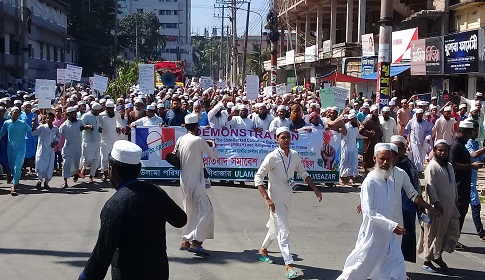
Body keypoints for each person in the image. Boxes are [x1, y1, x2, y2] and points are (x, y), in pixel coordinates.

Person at [78, 140, 187, 280]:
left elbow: (103, 253)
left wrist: (86, 277)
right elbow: (180, 220)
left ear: (112, 170)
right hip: (159, 273)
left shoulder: (115, 205)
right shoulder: (156, 192)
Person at [337, 143, 439, 280]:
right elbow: (369, 211)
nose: (385, 162)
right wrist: (390, 225)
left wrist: (430, 208)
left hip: (393, 231)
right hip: (374, 232)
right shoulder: (370, 181)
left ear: (393, 159)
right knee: (360, 265)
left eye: (388, 159)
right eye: (382, 159)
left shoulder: (397, 176)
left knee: (396, 264)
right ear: (375, 159)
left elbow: (413, 194)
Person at [254, 126, 322, 279]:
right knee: (283, 230)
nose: (286, 140)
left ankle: (263, 250)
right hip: (275, 199)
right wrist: (267, 198)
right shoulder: (272, 156)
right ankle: (288, 265)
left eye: (288, 137)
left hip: (288, 197)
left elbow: (303, 172)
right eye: (282, 137)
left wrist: (315, 188)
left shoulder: (295, 155)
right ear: (277, 139)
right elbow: (258, 178)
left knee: (275, 227)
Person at [177, 113, 218, 255]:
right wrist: (213, 144)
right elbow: (214, 155)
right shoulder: (198, 140)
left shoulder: (181, 139)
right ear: (196, 127)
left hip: (184, 181)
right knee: (207, 210)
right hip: (196, 181)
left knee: (190, 210)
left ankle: (185, 240)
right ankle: (196, 242)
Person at [417, 139, 461, 272]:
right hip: (436, 208)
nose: (442, 153)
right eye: (439, 150)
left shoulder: (450, 166)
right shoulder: (432, 166)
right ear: (434, 151)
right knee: (433, 235)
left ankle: (437, 256)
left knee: (452, 232)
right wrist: (436, 203)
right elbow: (430, 187)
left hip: (450, 207)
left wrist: (455, 202)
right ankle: (427, 261)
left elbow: (453, 185)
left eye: (445, 150)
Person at [449, 120, 482, 249]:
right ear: (462, 131)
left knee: (461, 213)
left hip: (464, 185)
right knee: (458, 214)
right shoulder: (455, 146)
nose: (470, 136)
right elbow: (452, 165)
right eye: (469, 133)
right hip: (457, 186)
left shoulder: (462, 144)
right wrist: (471, 166)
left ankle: (455, 239)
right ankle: (452, 240)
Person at [391, 135, 421, 265]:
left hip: (407, 206)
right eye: (394, 148)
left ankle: (399, 266)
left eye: (399, 148)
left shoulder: (408, 164)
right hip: (390, 207)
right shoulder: (386, 166)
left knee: (405, 237)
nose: (397, 152)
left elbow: (415, 187)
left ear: (404, 149)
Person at [0, 107, 32, 195]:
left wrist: (34, 125)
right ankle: (15, 180)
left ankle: (13, 186)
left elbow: (31, 131)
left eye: (18, 112)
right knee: (12, 167)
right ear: (11, 113)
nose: (16, 114)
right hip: (10, 149)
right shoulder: (7, 123)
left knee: (17, 167)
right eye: (15, 112)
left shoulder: (23, 123)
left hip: (21, 148)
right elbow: (2, 133)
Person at [59, 107, 93, 189]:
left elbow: (83, 127)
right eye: (73, 113)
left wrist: (88, 127)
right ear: (69, 115)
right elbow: (58, 134)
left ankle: (75, 173)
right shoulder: (64, 125)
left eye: (75, 113)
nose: (75, 114)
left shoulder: (79, 122)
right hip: (68, 148)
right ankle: (65, 181)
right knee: (66, 164)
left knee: (76, 164)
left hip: (77, 148)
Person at [465, 120, 485, 241]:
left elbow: (481, 158)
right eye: (475, 130)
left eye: (478, 130)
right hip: (467, 177)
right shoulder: (468, 143)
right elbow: (473, 155)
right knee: (475, 203)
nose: (477, 133)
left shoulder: (476, 143)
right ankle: (481, 232)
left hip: (473, 177)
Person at [32, 112, 59, 190]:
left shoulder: (55, 128)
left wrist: (55, 142)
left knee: (49, 167)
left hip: (50, 150)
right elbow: (34, 133)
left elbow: (58, 136)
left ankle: (46, 183)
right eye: (47, 118)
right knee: (40, 166)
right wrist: (33, 125)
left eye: (50, 118)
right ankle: (39, 181)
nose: (48, 120)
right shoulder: (42, 127)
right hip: (42, 150)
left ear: (53, 119)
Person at [99, 100, 122, 182]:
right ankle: (104, 173)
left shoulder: (116, 114)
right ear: (106, 108)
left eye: (113, 109)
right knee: (104, 158)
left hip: (115, 139)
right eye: (110, 109)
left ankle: (112, 174)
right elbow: (98, 126)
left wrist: (119, 127)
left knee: (114, 158)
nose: (112, 110)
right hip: (104, 140)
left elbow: (119, 122)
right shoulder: (101, 116)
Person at [404, 108, 432, 173]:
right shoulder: (411, 121)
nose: (418, 116)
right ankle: (418, 170)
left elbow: (428, 132)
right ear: (416, 115)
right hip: (413, 141)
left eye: (420, 115)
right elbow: (406, 129)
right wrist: (405, 138)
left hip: (422, 142)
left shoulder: (426, 123)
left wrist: (428, 138)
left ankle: (414, 168)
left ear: (422, 115)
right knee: (417, 155)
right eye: (417, 115)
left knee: (419, 156)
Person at [80, 103, 102, 184]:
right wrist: (88, 127)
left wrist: (99, 128)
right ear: (93, 110)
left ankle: (91, 176)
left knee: (96, 159)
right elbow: (81, 126)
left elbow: (98, 125)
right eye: (97, 111)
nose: (98, 112)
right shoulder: (86, 116)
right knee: (87, 158)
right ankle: (82, 169)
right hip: (88, 141)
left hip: (97, 140)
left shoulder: (98, 116)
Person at [359, 105, 382, 172]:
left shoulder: (377, 119)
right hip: (369, 142)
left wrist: (379, 133)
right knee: (368, 156)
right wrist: (370, 133)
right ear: (371, 112)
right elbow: (361, 130)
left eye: (377, 112)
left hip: (376, 141)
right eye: (375, 112)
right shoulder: (367, 120)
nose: (377, 113)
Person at [339, 113, 359, 185]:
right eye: (354, 119)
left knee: (353, 163)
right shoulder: (346, 127)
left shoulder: (356, 128)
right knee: (344, 162)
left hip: (353, 147)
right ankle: (341, 177)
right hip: (345, 147)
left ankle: (351, 177)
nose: (356, 121)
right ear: (351, 120)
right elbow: (343, 133)